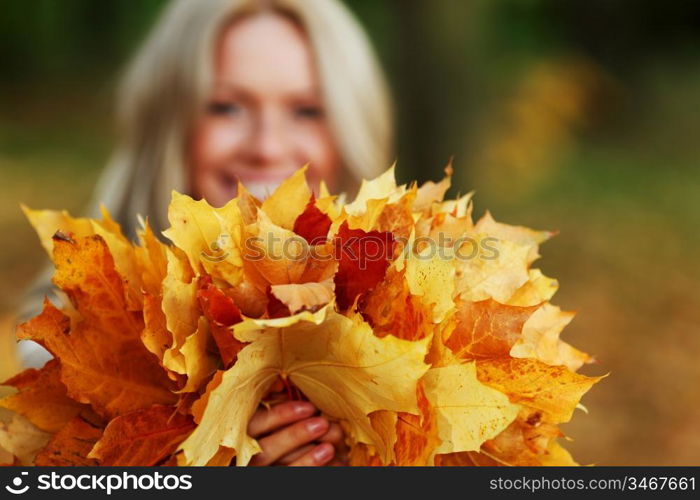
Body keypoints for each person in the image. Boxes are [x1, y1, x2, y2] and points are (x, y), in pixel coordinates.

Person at [16, 0, 393, 466]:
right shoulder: (69, 361)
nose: (267, 146)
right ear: (166, 126)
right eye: (226, 106)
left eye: (307, 110)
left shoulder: (424, 349)